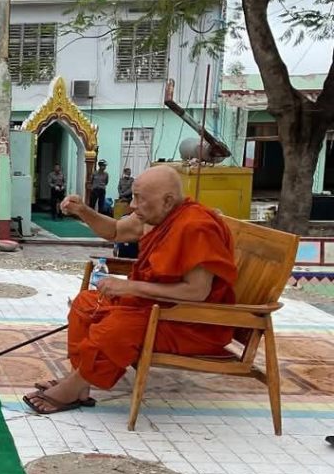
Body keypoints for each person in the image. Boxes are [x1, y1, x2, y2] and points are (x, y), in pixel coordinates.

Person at [24, 165, 237, 414]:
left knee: (117, 326)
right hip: (156, 308)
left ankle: (73, 386)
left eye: (139, 198)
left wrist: (130, 286)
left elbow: (196, 292)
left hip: (191, 323)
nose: (133, 205)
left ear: (168, 201)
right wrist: (83, 211)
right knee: (86, 303)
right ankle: (80, 383)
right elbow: (115, 230)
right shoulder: (157, 216)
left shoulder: (196, 226)